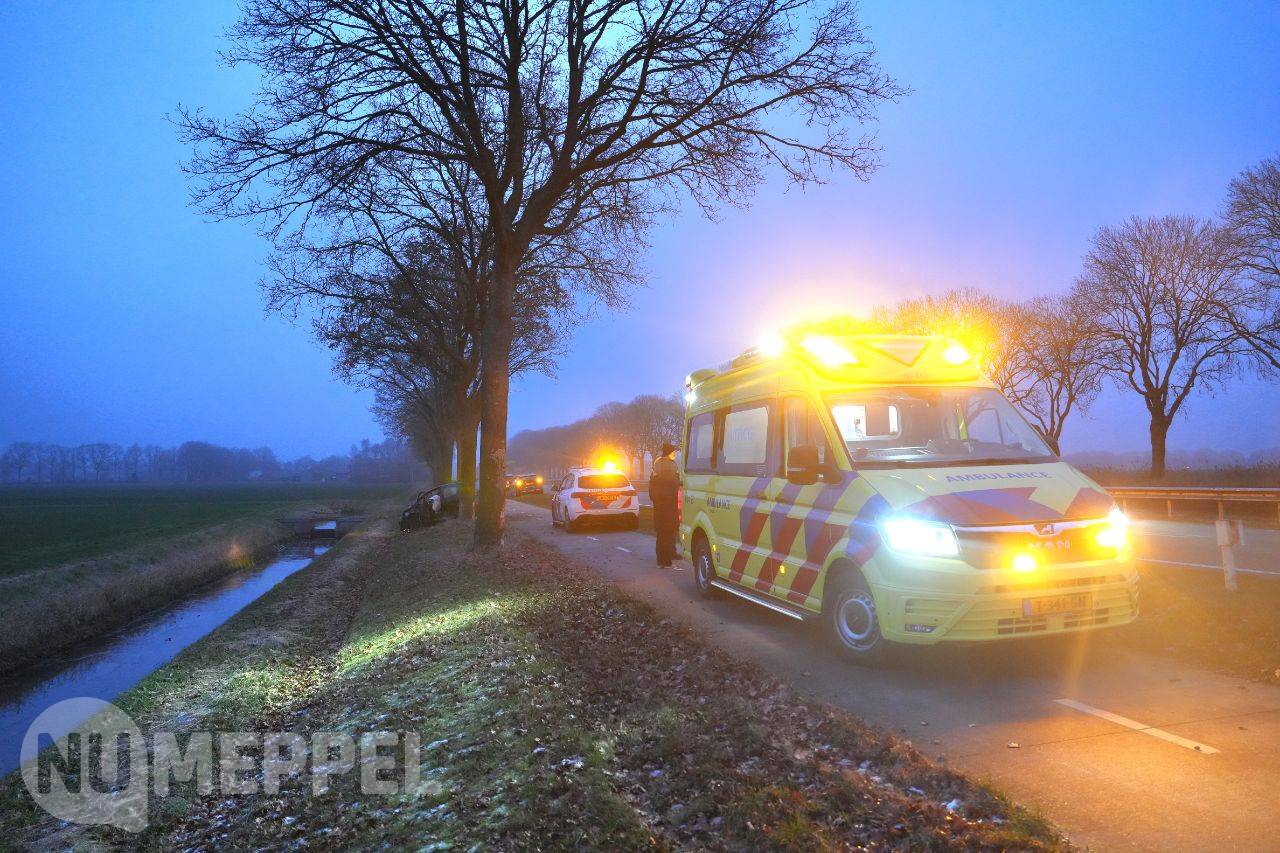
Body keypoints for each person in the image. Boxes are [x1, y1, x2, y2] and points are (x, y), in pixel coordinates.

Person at [648, 442, 681, 569]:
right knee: (666, 532)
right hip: (668, 505)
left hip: (661, 505)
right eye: (673, 452)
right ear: (668, 453)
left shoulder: (657, 464)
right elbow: (675, 483)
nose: (674, 454)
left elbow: (653, 487)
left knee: (664, 532)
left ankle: (668, 555)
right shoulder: (669, 466)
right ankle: (664, 559)